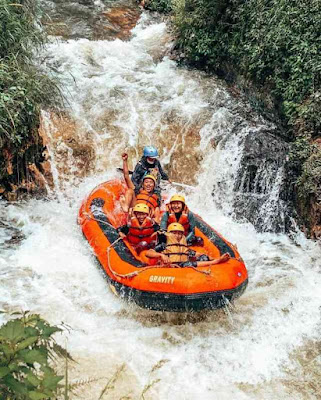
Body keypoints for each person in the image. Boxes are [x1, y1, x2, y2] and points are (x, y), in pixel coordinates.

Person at [145, 223, 230, 267]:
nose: (177, 236)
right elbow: (148, 253)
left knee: (202, 257)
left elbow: (197, 254)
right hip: (170, 266)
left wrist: (214, 257)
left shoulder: (183, 246)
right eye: (174, 233)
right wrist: (161, 255)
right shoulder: (164, 244)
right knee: (188, 264)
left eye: (179, 234)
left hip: (182, 265)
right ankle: (215, 262)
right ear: (169, 234)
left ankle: (216, 260)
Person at [120, 154, 161, 222]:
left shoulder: (156, 195)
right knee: (130, 191)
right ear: (143, 184)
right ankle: (125, 207)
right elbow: (126, 176)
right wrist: (125, 161)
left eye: (151, 183)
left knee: (156, 209)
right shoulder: (138, 190)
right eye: (146, 182)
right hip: (136, 213)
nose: (148, 184)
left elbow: (156, 210)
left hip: (147, 215)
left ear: (154, 185)